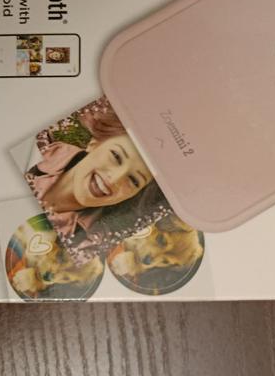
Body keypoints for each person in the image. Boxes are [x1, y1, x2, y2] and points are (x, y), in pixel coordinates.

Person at [26, 97, 172, 264]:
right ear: (94, 143)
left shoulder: (88, 247)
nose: (115, 179)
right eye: (116, 156)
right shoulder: (36, 148)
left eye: (134, 180)